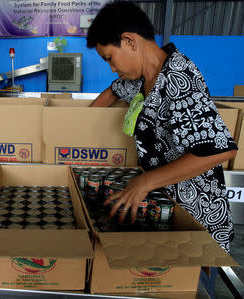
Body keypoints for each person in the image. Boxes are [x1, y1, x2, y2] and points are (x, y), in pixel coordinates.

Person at [86, 1, 237, 298]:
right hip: (166, 214)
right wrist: (79, 130)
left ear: (129, 41)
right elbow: (112, 92)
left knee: (189, 291)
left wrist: (146, 181)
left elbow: (220, 149)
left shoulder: (179, 78)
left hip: (196, 224)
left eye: (110, 58)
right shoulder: (142, 78)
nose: (112, 67)